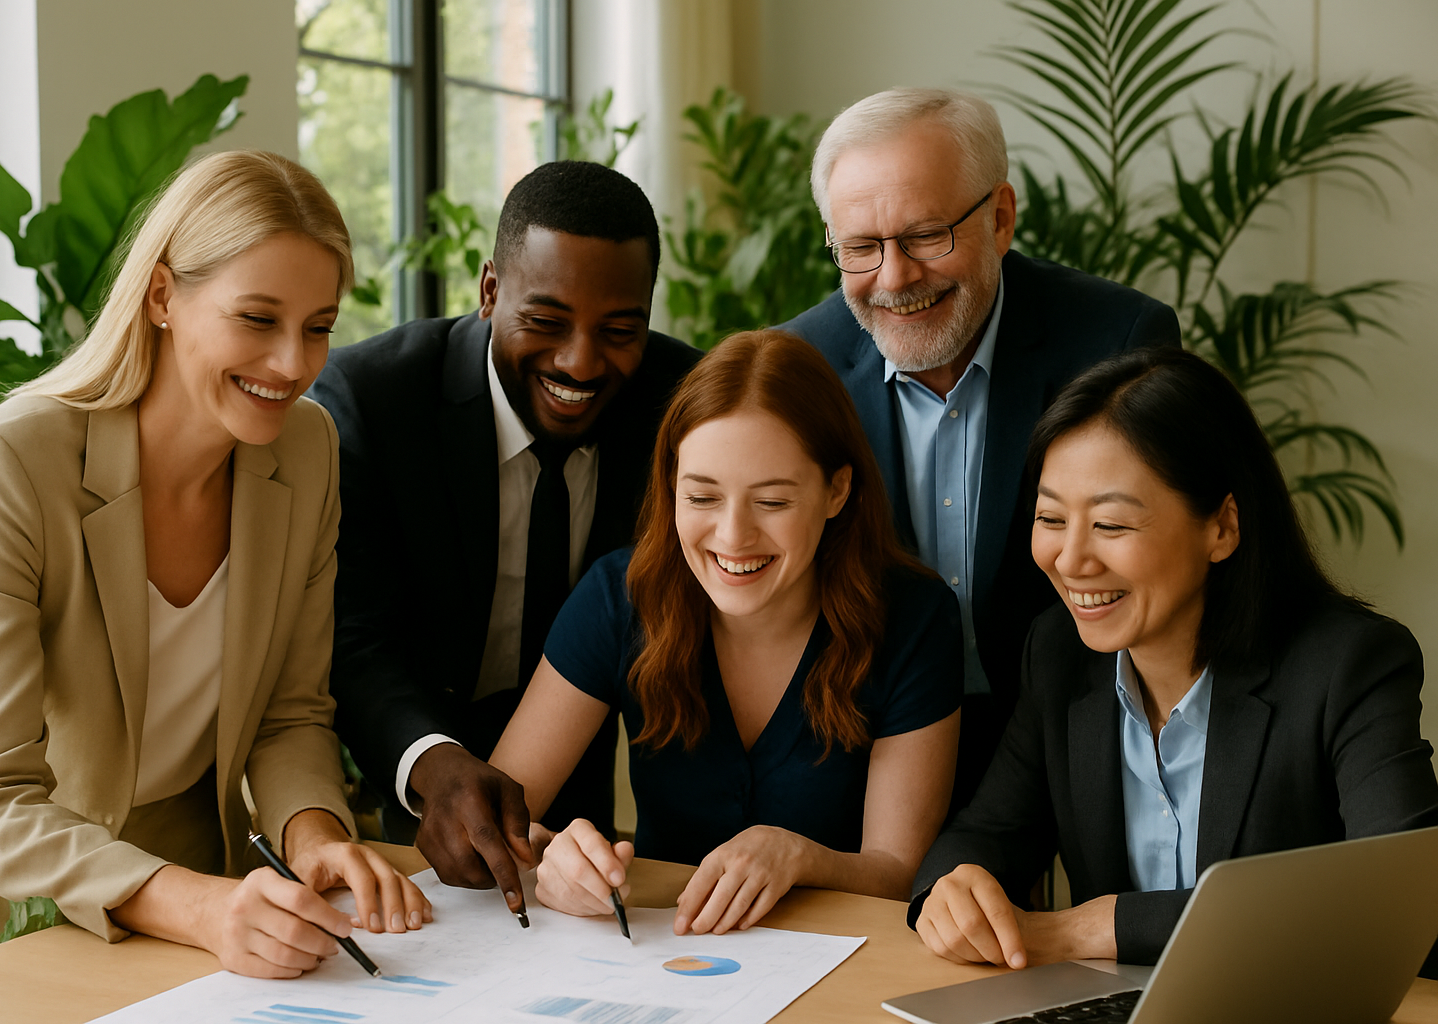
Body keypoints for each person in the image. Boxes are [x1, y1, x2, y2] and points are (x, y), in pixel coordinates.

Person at [0, 151, 427, 974]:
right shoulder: (6, 465)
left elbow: (289, 714)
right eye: (258, 319)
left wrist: (315, 834)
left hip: (196, 892)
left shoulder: (309, 449)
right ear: (161, 297)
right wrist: (198, 904)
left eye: (319, 326)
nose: (294, 363)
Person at [910, 346, 1438, 974]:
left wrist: (1094, 927)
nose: (1071, 559)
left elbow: (1405, 901)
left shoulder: (1348, 665)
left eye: (1111, 525)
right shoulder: (1059, 656)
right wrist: (949, 891)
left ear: (1221, 528)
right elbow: (984, 834)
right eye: (1050, 517)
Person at [308, 161, 701, 917]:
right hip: (423, 769)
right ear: (490, 291)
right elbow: (352, 635)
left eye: (620, 331)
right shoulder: (373, 400)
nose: (581, 362)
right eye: (547, 322)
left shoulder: (681, 406)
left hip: (591, 808)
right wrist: (431, 762)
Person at [781, 88, 1181, 808]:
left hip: (1069, 731)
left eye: (927, 235)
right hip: (866, 744)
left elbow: (1158, 565)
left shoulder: (1117, 343)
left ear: (1000, 217)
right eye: (862, 249)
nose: (896, 277)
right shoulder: (797, 366)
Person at [488, 330, 962, 934]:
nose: (733, 537)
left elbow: (897, 873)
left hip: (843, 969)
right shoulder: (618, 597)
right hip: (660, 961)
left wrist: (797, 855)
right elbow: (499, 817)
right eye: (703, 497)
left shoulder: (915, 618)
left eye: (772, 502)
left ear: (836, 490)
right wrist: (554, 856)